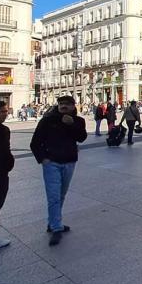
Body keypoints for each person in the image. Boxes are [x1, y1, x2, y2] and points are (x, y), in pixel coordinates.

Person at [30, 95, 87, 245]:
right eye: (61, 103)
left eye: (67, 104)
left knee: (61, 194)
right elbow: (35, 142)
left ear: (73, 106)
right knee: (53, 196)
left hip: (69, 162)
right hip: (52, 163)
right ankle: (56, 228)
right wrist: (43, 159)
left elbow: (81, 138)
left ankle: (53, 222)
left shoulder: (78, 121)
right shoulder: (48, 120)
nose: (63, 106)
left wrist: (71, 124)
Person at [0, 101, 14, 248]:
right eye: (2, 111)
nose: (5, 114)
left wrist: (9, 163)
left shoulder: (5, 130)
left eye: (6, 111)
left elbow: (6, 149)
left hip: (2, 174)